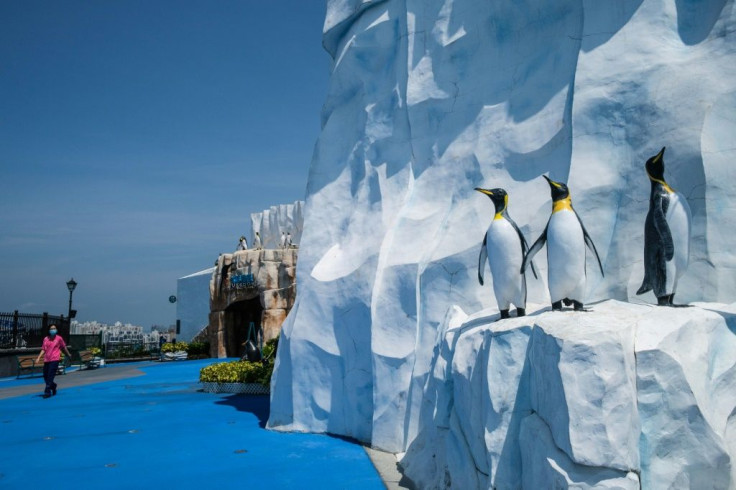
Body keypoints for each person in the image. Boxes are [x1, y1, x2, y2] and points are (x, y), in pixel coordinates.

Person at [36, 324, 72, 398]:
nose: (53, 330)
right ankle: (53, 386)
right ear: (49, 330)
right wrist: (39, 357)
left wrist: (68, 354)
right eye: (51, 328)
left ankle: (47, 392)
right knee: (45, 376)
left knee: (50, 375)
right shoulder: (46, 339)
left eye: (54, 328)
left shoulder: (59, 338)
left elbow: (63, 347)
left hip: (55, 359)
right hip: (47, 359)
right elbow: (43, 349)